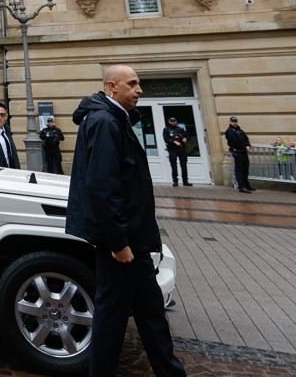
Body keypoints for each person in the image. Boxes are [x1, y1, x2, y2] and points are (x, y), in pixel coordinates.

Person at [66, 65, 186, 377]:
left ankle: (170, 371)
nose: (139, 89)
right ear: (112, 86)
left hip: (132, 238)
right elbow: (103, 185)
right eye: (132, 84)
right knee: (111, 316)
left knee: (150, 311)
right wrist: (118, 242)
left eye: (139, 83)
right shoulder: (105, 120)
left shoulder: (114, 117)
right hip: (121, 242)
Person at [224, 116, 253, 192]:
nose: (235, 123)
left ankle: (247, 185)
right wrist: (245, 146)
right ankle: (241, 186)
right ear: (230, 122)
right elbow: (234, 142)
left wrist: (248, 145)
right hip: (238, 152)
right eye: (233, 122)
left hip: (243, 151)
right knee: (239, 170)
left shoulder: (240, 130)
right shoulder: (229, 131)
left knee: (245, 169)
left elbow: (246, 138)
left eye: (235, 121)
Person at [162, 116, 190, 186]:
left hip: (181, 149)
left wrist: (186, 139)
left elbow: (187, 135)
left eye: (174, 121)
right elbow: (166, 139)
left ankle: (185, 181)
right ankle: (175, 181)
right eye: (172, 121)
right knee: (173, 166)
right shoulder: (166, 129)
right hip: (172, 149)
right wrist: (174, 142)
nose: (173, 122)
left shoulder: (180, 128)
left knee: (183, 165)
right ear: (169, 121)